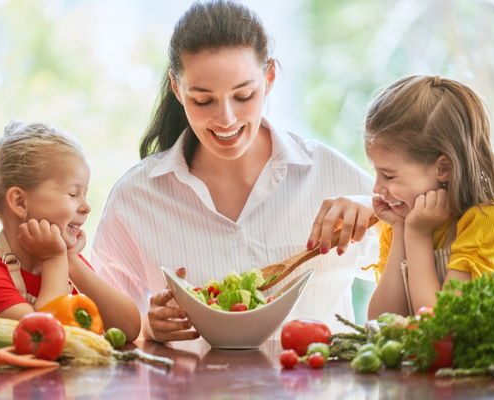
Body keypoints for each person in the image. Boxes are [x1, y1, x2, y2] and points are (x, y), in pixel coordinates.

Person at [91, 0, 379, 342]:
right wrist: (148, 328)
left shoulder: (328, 173)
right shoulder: (135, 198)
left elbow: (425, 270)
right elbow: (98, 330)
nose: (226, 119)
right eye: (203, 100)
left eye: (243, 95)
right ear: (176, 88)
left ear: (269, 77)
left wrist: (381, 210)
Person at [0, 121, 141, 341]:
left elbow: (129, 329)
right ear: (19, 203)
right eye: (73, 194)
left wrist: (70, 259)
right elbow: (44, 339)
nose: (86, 207)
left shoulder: (66, 262)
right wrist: (55, 258)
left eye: (85, 194)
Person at [365, 75, 494, 319]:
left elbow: (442, 326)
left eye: (389, 176)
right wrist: (400, 231)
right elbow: (382, 320)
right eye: (376, 172)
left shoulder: (490, 219)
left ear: (443, 169)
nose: (377, 188)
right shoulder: (403, 218)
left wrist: (418, 235)